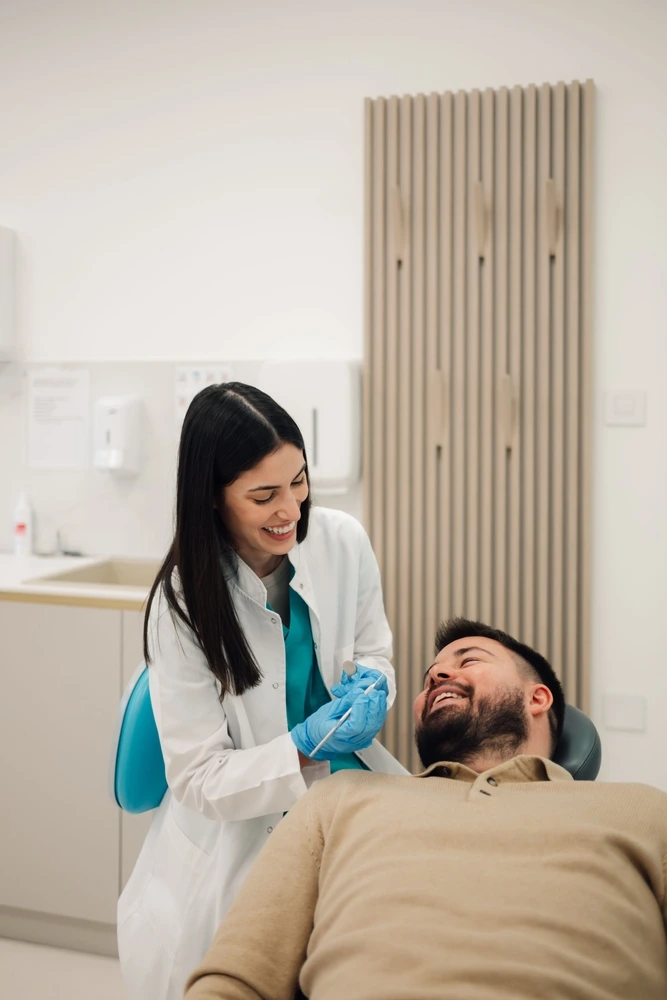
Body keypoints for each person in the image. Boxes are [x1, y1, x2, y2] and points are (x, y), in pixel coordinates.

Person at [184, 618, 667, 1000]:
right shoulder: (341, 800)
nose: (437, 673)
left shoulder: (640, 812)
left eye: (469, 659)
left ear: (537, 696)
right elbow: (236, 979)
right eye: (429, 675)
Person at [117, 382, 407, 1000]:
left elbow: (374, 647)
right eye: (263, 495)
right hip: (241, 832)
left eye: (298, 481)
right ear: (213, 499)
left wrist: (374, 686)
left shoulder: (342, 540)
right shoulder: (182, 607)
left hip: (350, 791)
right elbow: (197, 779)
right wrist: (304, 746)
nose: (291, 510)